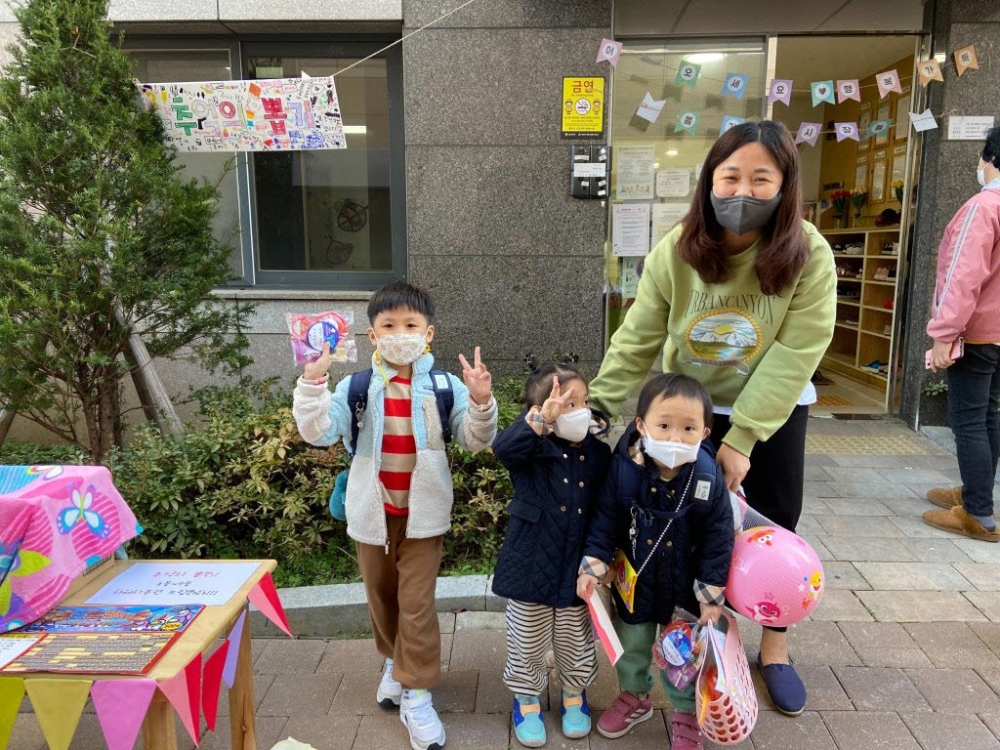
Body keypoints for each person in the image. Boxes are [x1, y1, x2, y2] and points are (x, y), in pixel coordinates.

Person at [587, 120, 837, 717]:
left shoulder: (808, 252)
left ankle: (774, 646)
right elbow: (638, 335)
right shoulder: (678, 248)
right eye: (730, 176)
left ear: (785, 185)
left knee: (772, 525)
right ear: (710, 180)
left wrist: (744, 435)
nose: (743, 191)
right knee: (684, 530)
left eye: (761, 178)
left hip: (771, 414)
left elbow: (797, 349)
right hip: (684, 412)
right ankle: (700, 647)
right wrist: (599, 406)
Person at [293, 281, 498, 750]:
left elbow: (474, 439)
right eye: (389, 325)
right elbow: (320, 432)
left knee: (416, 604)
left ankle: (417, 693)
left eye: (410, 325)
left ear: (428, 334)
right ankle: (394, 661)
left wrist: (481, 401)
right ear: (372, 335)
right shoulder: (356, 386)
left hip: (423, 517)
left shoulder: (444, 385)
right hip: (372, 514)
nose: (399, 334)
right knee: (382, 598)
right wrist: (312, 382)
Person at [577, 374, 734, 750]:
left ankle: (686, 710)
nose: (675, 438)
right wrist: (594, 564)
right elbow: (605, 518)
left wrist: (710, 596)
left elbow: (718, 537)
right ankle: (635, 694)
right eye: (664, 425)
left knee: (683, 654)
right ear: (642, 424)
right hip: (637, 581)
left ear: (705, 432)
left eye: (688, 428)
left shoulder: (707, 476)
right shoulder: (624, 469)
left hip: (686, 587)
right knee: (630, 642)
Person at [490, 357, 612, 748]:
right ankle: (526, 699)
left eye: (584, 401)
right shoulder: (532, 448)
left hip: (577, 568)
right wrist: (542, 422)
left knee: (576, 639)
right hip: (530, 565)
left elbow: (605, 513)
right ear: (542, 408)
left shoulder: (598, 454)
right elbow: (503, 449)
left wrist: (595, 561)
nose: (581, 411)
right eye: (568, 403)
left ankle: (574, 693)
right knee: (526, 639)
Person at [923, 125, 1000, 543]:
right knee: (988, 415)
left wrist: (944, 334)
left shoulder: (984, 206)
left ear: (991, 159)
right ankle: (976, 492)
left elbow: (962, 275)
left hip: (979, 332)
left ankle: (978, 513)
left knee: (968, 420)